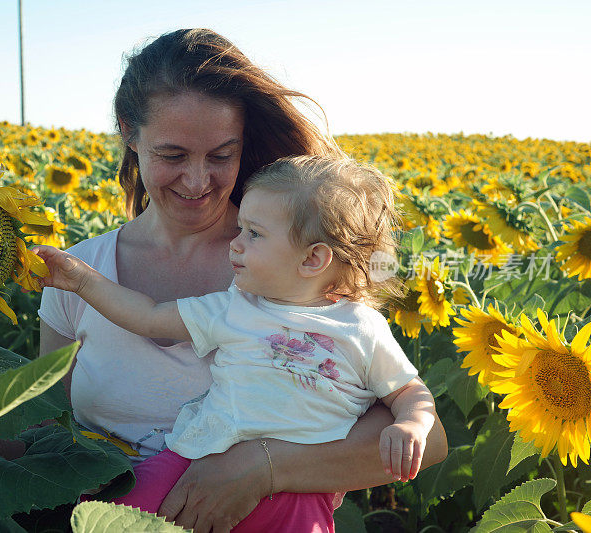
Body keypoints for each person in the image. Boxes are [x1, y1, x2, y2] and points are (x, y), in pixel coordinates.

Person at [38, 28, 448, 532]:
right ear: (129, 131)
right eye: (172, 155)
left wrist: (261, 468)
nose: (196, 180)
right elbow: (42, 432)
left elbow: (424, 436)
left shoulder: (296, 259)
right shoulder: (77, 274)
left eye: (220, 155)